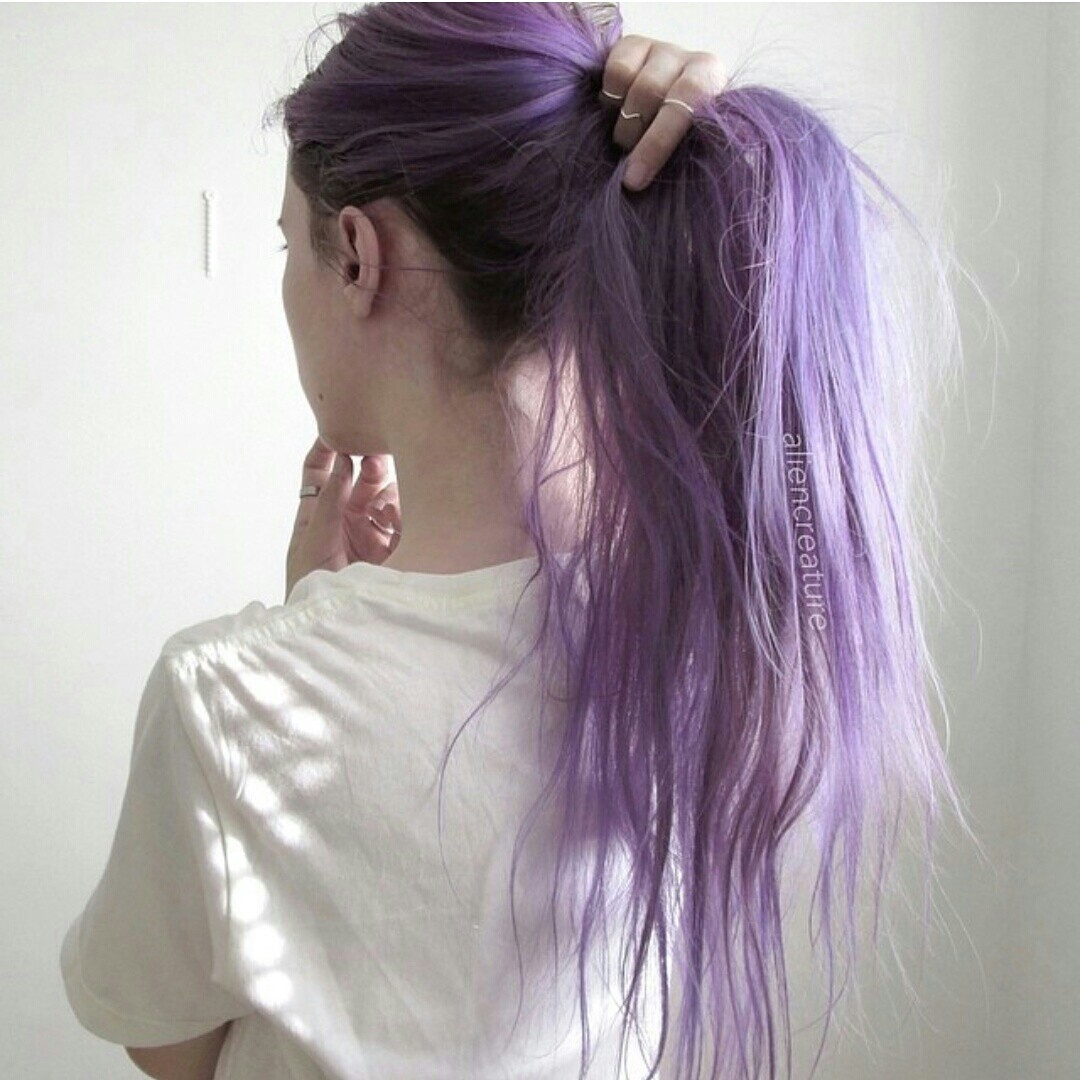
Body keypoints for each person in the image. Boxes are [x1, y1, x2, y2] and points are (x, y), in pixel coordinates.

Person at [59, 9, 732, 1080]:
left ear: (358, 258)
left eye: (289, 244)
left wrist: (303, 643)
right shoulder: (698, 635)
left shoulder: (224, 699)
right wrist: (727, 169)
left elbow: (168, 1046)